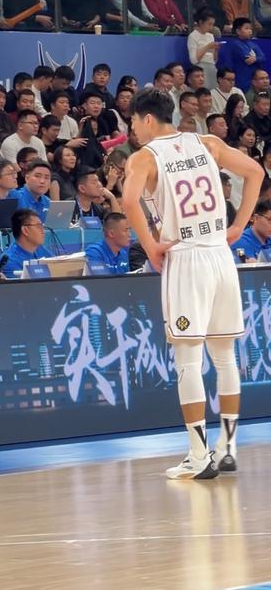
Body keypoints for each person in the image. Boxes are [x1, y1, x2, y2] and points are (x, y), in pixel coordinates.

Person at [123, 87, 264, 479]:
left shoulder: (144, 156)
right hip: (220, 256)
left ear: (147, 118)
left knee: (187, 359)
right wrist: (239, 226)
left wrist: (150, 245)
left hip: (185, 258)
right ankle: (228, 447)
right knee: (225, 356)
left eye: (133, 121)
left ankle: (199, 455)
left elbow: (129, 202)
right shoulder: (207, 143)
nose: (133, 129)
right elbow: (256, 173)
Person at [2, 208, 51, 278]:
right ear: (25, 230)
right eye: (39, 226)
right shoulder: (9, 260)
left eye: (42, 226)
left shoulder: (41, 249)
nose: (43, 231)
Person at [229, 17, 267, 93]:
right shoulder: (236, 44)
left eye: (250, 29)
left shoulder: (253, 44)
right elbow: (248, 60)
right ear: (238, 31)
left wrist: (255, 59)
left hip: (255, 82)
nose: (250, 31)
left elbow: (263, 58)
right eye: (246, 28)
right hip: (243, 81)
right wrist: (257, 58)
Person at [187, 7, 219, 90]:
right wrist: (207, 47)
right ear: (201, 22)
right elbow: (194, 60)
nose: (211, 27)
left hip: (212, 67)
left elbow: (214, 60)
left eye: (213, 24)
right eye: (209, 24)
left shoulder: (210, 36)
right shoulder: (193, 36)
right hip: (200, 68)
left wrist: (216, 50)